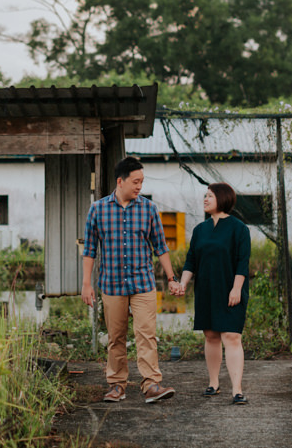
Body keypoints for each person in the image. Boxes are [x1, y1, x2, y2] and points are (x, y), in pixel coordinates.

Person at [81, 156, 182, 404]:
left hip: (142, 284)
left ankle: (151, 385)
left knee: (146, 334)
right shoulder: (98, 209)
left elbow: (161, 247)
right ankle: (117, 385)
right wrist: (86, 283)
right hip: (112, 285)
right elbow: (90, 250)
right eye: (135, 181)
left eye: (142, 181)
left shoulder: (148, 209)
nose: (139, 186)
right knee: (116, 337)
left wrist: (171, 277)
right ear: (120, 181)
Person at [178, 182, 251, 405]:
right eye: (205, 196)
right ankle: (213, 384)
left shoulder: (239, 229)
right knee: (210, 335)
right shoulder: (200, 230)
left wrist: (237, 288)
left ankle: (237, 390)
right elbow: (191, 260)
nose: (205, 199)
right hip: (206, 290)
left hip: (230, 289)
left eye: (210, 196)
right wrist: (183, 284)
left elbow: (242, 262)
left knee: (232, 337)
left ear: (223, 198)